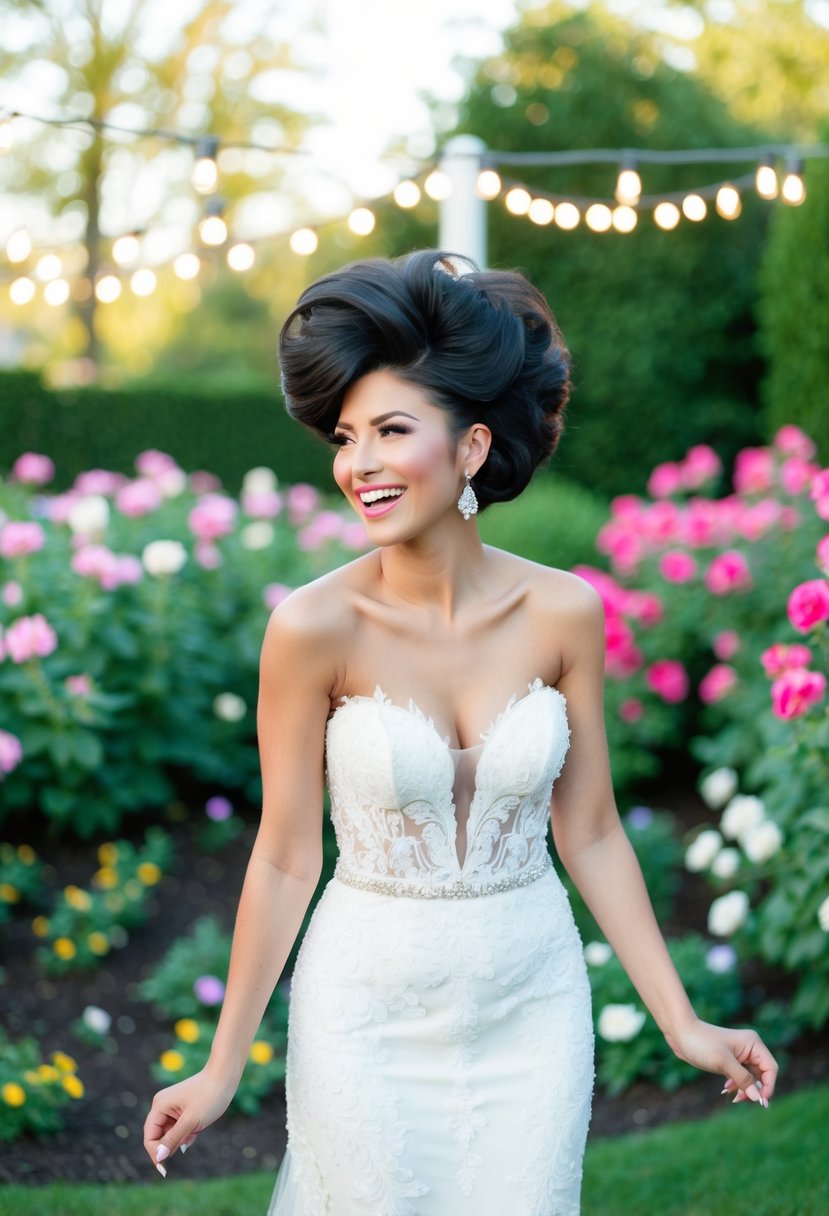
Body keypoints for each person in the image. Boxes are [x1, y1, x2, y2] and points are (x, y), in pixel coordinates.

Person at [143, 249, 778, 1214]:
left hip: (534, 1005)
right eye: (346, 437)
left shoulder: (563, 612)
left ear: (472, 448)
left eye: (392, 431)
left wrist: (680, 1021)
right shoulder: (313, 630)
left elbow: (593, 829)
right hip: (363, 1012)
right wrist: (221, 1067)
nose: (359, 464)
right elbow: (281, 857)